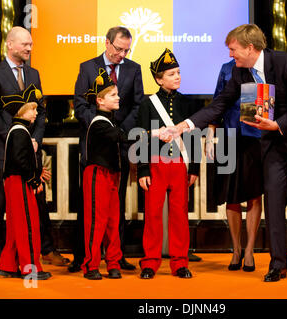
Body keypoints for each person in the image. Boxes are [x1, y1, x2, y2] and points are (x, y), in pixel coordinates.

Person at [164, 24, 287, 282]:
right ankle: (278, 265)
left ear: (250, 47)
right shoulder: (241, 72)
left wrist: (278, 124)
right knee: (273, 200)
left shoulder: (286, 63)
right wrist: (184, 126)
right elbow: (220, 105)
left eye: (233, 49)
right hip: (274, 144)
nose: (230, 55)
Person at [0, 26, 68, 270]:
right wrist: (17, 138)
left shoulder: (34, 73)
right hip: (1, 150)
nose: (29, 48)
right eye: (25, 44)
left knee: (38, 201)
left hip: (32, 149)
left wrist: (36, 139)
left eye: (30, 44)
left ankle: (46, 249)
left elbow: (41, 113)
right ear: (10, 45)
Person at [72, 26, 144, 272]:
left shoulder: (134, 69)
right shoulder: (87, 67)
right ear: (107, 43)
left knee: (116, 205)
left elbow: (137, 105)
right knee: (89, 206)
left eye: (126, 50)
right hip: (94, 145)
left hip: (119, 146)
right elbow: (80, 104)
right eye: (118, 49)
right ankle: (83, 257)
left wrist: (119, 131)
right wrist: (101, 124)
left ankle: (117, 256)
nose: (122, 54)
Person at [136, 48, 199, 279]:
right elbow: (141, 136)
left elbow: (193, 135)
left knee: (179, 214)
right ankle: (150, 262)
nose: (178, 77)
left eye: (179, 72)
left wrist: (194, 168)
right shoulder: (148, 104)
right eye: (172, 74)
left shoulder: (187, 102)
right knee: (152, 214)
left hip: (180, 163)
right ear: (158, 79)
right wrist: (142, 169)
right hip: (155, 164)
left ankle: (180, 262)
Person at [205, 59, 263, 272]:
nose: (231, 52)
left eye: (233, 48)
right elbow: (218, 100)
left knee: (254, 194)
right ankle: (236, 249)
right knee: (232, 194)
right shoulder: (226, 68)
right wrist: (211, 132)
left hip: (256, 136)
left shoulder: (263, 68)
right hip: (229, 134)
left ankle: (249, 250)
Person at [0, 84, 51, 280]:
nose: (36, 112)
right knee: (28, 224)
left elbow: (19, 158)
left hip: (14, 181)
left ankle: (8, 265)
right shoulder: (20, 131)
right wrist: (34, 179)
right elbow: (20, 160)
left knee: (15, 225)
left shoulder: (17, 130)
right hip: (20, 182)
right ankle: (31, 268)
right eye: (33, 108)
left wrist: (37, 170)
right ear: (22, 110)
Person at [80, 69, 127, 280]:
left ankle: (113, 263)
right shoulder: (99, 123)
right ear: (100, 100)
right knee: (96, 221)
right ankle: (91, 265)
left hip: (111, 176)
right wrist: (152, 133)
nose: (118, 98)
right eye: (113, 95)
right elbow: (119, 137)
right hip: (97, 175)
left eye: (117, 94)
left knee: (112, 221)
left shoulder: (110, 121)